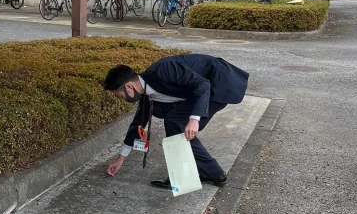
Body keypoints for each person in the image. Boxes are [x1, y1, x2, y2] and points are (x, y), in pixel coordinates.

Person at [103, 54, 249, 187]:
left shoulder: (162, 69)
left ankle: (193, 176)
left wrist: (194, 118)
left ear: (129, 86)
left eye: (120, 95)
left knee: (175, 123)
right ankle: (208, 173)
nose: (122, 100)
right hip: (204, 90)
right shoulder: (146, 95)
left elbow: (202, 85)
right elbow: (138, 124)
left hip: (220, 84)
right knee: (177, 126)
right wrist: (120, 158)